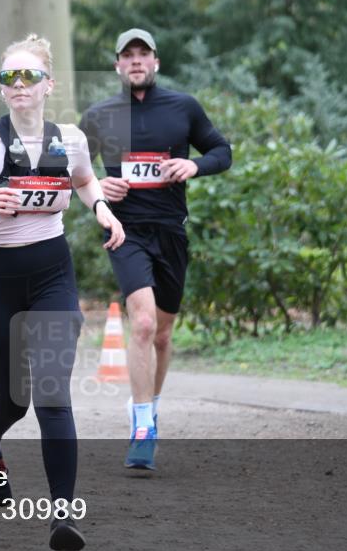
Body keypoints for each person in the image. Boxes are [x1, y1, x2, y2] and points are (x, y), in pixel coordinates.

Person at [0, 34, 125, 551]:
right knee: (14, 401)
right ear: (2, 89)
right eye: (9, 77)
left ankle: (62, 515)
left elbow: (84, 181)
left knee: (52, 394)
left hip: (51, 276)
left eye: (29, 76)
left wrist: (102, 209)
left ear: (48, 85)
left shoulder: (71, 140)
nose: (19, 84)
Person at [79, 28, 232, 470]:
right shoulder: (99, 115)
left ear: (156, 62)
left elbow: (222, 151)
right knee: (143, 323)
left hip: (171, 232)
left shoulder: (183, 108)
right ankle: (143, 427)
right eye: (127, 55)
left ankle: (149, 406)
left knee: (162, 334)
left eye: (143, 53)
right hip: (124, 232)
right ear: (117, 65)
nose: (135, 61)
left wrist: (194, 165)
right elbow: (71, 172)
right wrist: (99, 185)